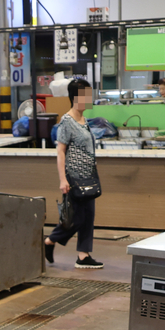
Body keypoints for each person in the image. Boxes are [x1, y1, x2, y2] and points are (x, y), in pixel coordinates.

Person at [44, 78, 103, 269]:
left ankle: (83, 256)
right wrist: (63, 179)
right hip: (74, 177)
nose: (88, 99)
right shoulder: (67, 121)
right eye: (85, 95)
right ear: (75, 97)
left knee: (89, 216)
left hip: (88, 176)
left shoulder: (84, 120)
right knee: (76, 218)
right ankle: (50, 241)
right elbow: (60, 151)